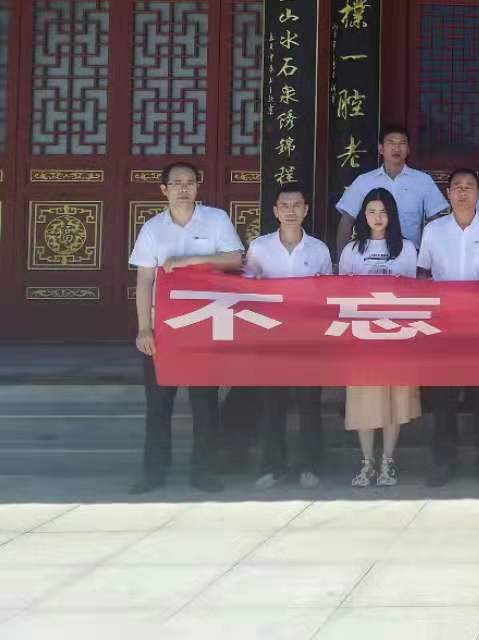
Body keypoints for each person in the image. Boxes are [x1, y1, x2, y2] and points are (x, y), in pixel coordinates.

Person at [128, 161, 245, 494]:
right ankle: (153, 473)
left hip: (204, 326)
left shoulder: (215, 219)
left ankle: (203, 471)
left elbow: (236, 258)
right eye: (177, 182)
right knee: (158, 404)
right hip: (164, 330)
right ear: (164, 189)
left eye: (190, 182)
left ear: (197, 187)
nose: (184, 188)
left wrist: (190, 260)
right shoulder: (153, 228)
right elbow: (145, 279)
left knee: (204, 404)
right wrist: (144, 328)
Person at [417, 167, 479, 486]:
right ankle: (444, 462)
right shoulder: (433, 231)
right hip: (444, 327)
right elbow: (423, 274)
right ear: (447, 193)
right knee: (443, 399)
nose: (463, 191)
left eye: (470, 186)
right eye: (457, 186)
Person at [243, 186, 334, 490]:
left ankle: (310, 465)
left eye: (297, 205)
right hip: (271, 339)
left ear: (306, 210)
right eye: (285, 205)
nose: (291, 211)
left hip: (308, 339)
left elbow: (328, 294)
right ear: (275, 211)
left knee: (309, 404)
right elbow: (246, 290)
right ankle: (273, 466)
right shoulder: (260, 247)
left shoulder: (319, 249)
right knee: (272, 405)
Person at [337, 189, 422, 487]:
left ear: (392, 215)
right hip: (362, 337)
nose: (377, 217)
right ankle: (366, 463)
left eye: (383, 212)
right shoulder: (351, 250)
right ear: (363, 215)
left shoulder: (406, 248)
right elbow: (341, 293)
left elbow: (414, 291)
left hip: (396, 335)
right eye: (371, 211)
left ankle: (388, 461)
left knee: (394, 400)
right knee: (363, 400)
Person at [334, 124, 448, 252]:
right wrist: (341, 259)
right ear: (381, 148)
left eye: (402, 143)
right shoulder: (364, 181)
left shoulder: (423, 181)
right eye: (391, 143)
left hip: (411, 254)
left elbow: (436, 222)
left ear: (408, 149)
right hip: (369, 256)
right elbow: (347, 221)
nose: (396, 148)